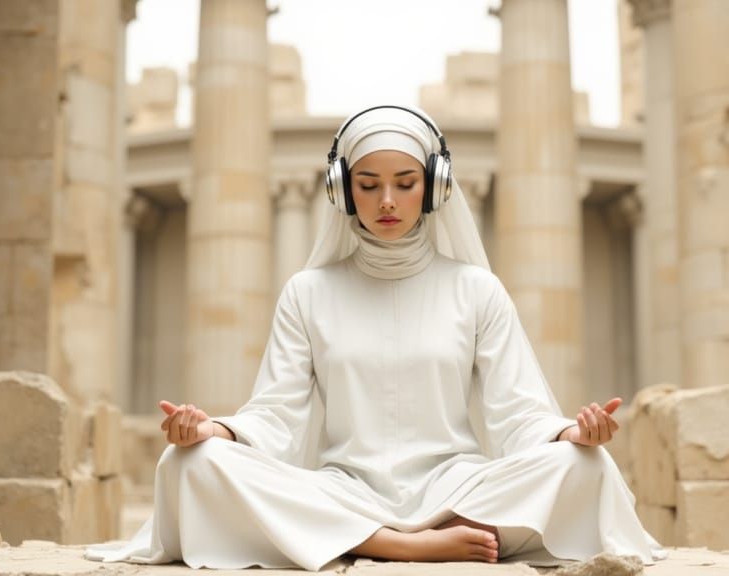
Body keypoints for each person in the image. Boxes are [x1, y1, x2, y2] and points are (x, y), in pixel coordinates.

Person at [85, 105, 664, 570]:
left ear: (434, 187)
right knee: (190, 463)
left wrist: (573, 431)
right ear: (343, 190)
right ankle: (396, 545)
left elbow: (518, 411)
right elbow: (277, 413)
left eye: (405, 183)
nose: (387, 201)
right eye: (369, 184)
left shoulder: (477, 289)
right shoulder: (308, 291)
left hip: (458, 487)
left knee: (584, 467)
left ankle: (351, 541)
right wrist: (213, 428)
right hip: (343, 489)